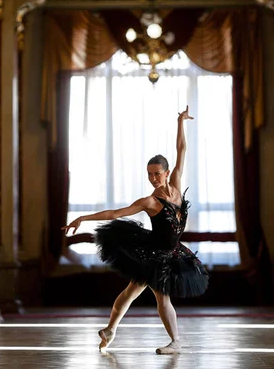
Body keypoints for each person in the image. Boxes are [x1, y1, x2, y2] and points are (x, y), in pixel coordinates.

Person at [62, 106, 209, 354]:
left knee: (131, 292)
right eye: (149, 174)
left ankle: (110, 330)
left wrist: (180, 122)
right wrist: (82, 218)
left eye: (157, 174)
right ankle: (175, 341)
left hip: (172, 252)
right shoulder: (150, 202)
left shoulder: (176, 185)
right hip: (154, 254)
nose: (153, 179)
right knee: (160, 295)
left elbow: (181, 149)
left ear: (167, 172)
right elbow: (115, 214)